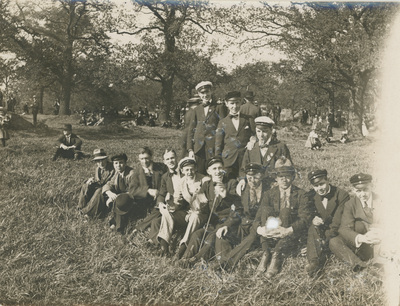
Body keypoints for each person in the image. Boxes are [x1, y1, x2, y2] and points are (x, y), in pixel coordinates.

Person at [254, 157, 313, 278]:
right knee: (266, 210)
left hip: (290, 232)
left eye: (287, 176)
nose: (284, 180)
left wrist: (288, 230)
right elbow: (259, 217)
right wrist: (261, 230)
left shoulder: (301, 194)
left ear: (292, 177)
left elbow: (305, 219)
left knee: (286, 211)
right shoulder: (269, 194)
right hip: (271, 230)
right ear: (276, 178)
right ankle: (266, 253)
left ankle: (276, 255)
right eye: (280, 176)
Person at [178, 157, 240, 266]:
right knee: (198, 234)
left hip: (226, 222)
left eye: (220, 168)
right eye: (214, 168)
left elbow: (238, 207)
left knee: (212, 236)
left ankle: (196, 259)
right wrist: (197, 200)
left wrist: (226, 196)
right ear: (209, 171)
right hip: (212, 222)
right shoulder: (207, 185)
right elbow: (200, 206)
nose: (218, 171)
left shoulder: (231, 183)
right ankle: (185, 258)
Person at [210, 163, 269, 270]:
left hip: (258, 229)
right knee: (222, 234)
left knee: (251, 237)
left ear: (262, 176)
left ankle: (225, 264)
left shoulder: (269, 191)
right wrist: (226, 225)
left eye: (255, 177)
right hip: (244, 226)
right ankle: (226, 263)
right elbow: (237, 210)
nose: (252, 181)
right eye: (249, 177)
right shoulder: (243, 189)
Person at [329, 173, 380, 272]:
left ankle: (382, 263)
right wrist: (362, 238)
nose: (363, 194)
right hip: (364, 243)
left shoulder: (382, 200)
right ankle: (360, 266)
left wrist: (380, 232)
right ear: (353, 190)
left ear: (371, 186)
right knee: (334, 242)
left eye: (366, 189)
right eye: (358, 191)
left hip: (381, 240)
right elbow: (344, 228)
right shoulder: (350, 204)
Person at [305, 169, 350, 276]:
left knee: (331, 239)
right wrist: (313, 219)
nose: (319, 188)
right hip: (319, 230)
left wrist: (324, 241)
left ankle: (321, 252)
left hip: (336, 231)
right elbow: (307, 212)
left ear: (328, 180)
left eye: (321, 184)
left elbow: (337, 222)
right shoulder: (310, 195)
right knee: (313, 227)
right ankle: (314, 262)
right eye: (315, 186)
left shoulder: (342, 195)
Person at [237, 116, 291, 193]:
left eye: (264, 131)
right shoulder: (251, 148)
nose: (261, 135)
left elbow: (288, 169)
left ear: (271, 131)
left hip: (274, 188)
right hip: (255, 187)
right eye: (258, 131)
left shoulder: (280, 147)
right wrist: (242, 180)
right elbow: (243, 168)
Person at [187, 81, 226, 175]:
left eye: (207, 92)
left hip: (212, 147)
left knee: (213, 173)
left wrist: (220, 147)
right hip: (198, 148)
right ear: (199, 94)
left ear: (211, 92)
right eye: (202, 93)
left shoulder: (219, 107)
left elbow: (223, 128)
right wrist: (190, 149)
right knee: (199, 173)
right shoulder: (196, 110)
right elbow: (191, 129)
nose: (205, 95)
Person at [215, 91, 255, 180]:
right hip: (228, 160)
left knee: (244, 183)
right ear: (226, 104)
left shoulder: (248, 119)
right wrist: (218, 161)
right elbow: (218, 144)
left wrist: (252, 140)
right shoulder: (222, 122)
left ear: (241, 102)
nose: (235, 106)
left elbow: (255, 134)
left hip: (245, 158)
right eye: (232, 103)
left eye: (237, 103)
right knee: (229, 184)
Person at [131, 147, 166, 233]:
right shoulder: (136, 172)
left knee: (161, 209)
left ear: (151, 157)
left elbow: (166, 182)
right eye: (142, 159)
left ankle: (139, 227)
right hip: (144, 201)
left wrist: (159, 193)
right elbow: (132, 190)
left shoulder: (161, 168)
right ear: (139, 159)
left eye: (146, 158)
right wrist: (147, 190)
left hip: (160, 197)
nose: (144, 161)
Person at [102, 153, 136, 234]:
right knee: (119, 201)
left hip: (133, 198)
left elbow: (134, 190)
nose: (118, 165)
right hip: (121, 199)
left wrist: (117, 197)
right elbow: (109, 184)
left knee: (121, 202)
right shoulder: (117, 173)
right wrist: (109, 193)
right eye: (116, 163)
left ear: (125, 163)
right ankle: (115, 223)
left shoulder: (132, 173)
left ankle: (118, 227)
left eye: (121, 162)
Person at [77, 149, 115, 214]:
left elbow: (112, 182)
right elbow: (98, 180)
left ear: (106, 159)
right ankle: (80, 208)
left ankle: (87, 212)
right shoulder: (98, 168)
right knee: (85, 186)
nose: (101, 163)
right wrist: (90, 181)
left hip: (109, 191)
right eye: (98, 161)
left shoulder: (113, 168)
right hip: (100, 188)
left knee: (99, 190)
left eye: (102, 160)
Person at [179, 95, 201, 160]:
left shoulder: (189, 111)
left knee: (184, 153)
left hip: (186, 133)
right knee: (186, 154)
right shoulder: (193, 112)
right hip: (189, 134)